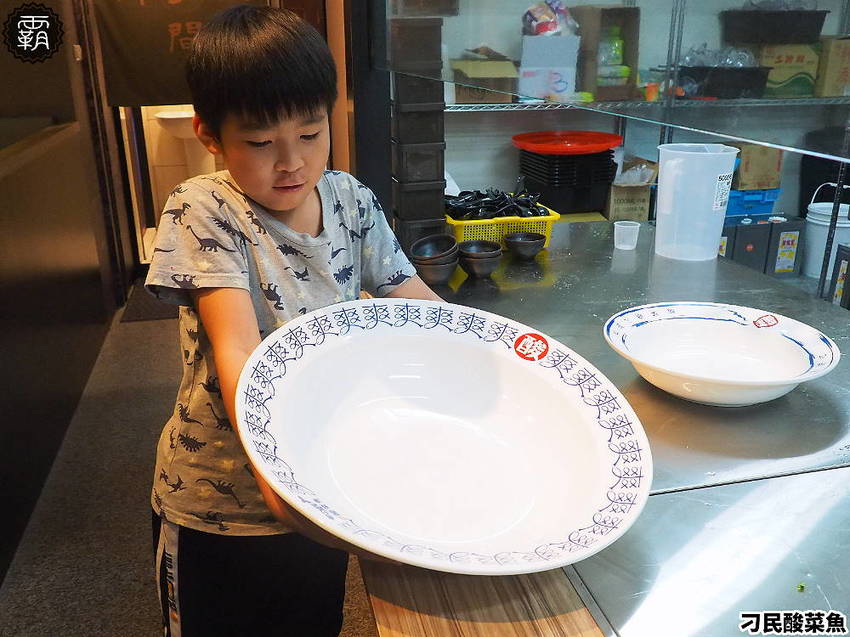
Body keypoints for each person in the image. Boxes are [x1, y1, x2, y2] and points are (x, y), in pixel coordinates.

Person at [144, 6, 442, 636]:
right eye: (260, 143)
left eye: (311, 133)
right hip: (221, 497)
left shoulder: (350, 198)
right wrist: (277, 483)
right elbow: (238, 352)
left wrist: (479, 359)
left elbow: (413, 302)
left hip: (322, 479)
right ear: (210, 135)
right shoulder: (203, 209)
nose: (292, 163)